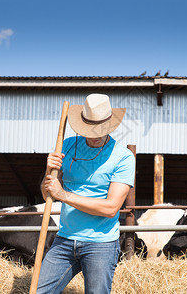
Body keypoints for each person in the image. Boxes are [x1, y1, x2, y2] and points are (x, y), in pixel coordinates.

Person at [37, 93, 135, 294]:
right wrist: (49, 172)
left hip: (101, 244)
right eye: (89, 129)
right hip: (64, 238)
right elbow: (45, 193)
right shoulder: (67, 146)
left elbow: (110, 208)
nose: (94, 134)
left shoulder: (123, 157)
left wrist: (63, 194)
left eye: (100, 129)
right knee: (39, 291)